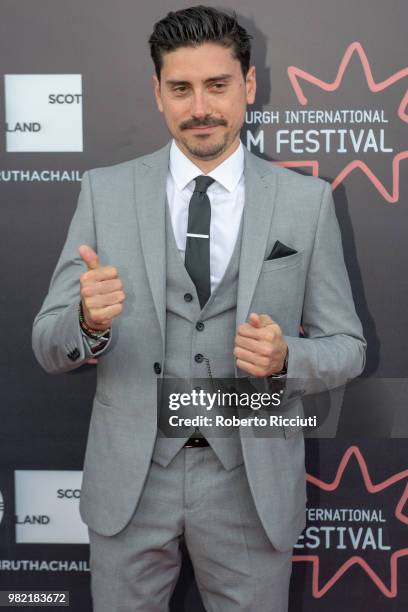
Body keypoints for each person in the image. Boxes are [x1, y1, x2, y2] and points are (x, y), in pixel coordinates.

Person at [32, 5, 366, 611]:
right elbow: (48, 342)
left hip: (249, 480)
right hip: (132, 480)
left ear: (249, 86)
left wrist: (288, 356)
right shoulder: (104, 193)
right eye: (181, 88)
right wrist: (86, 323)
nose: (201, 107)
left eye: (218, 85)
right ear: (157, 92)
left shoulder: (306, 202)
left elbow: (348, 347)